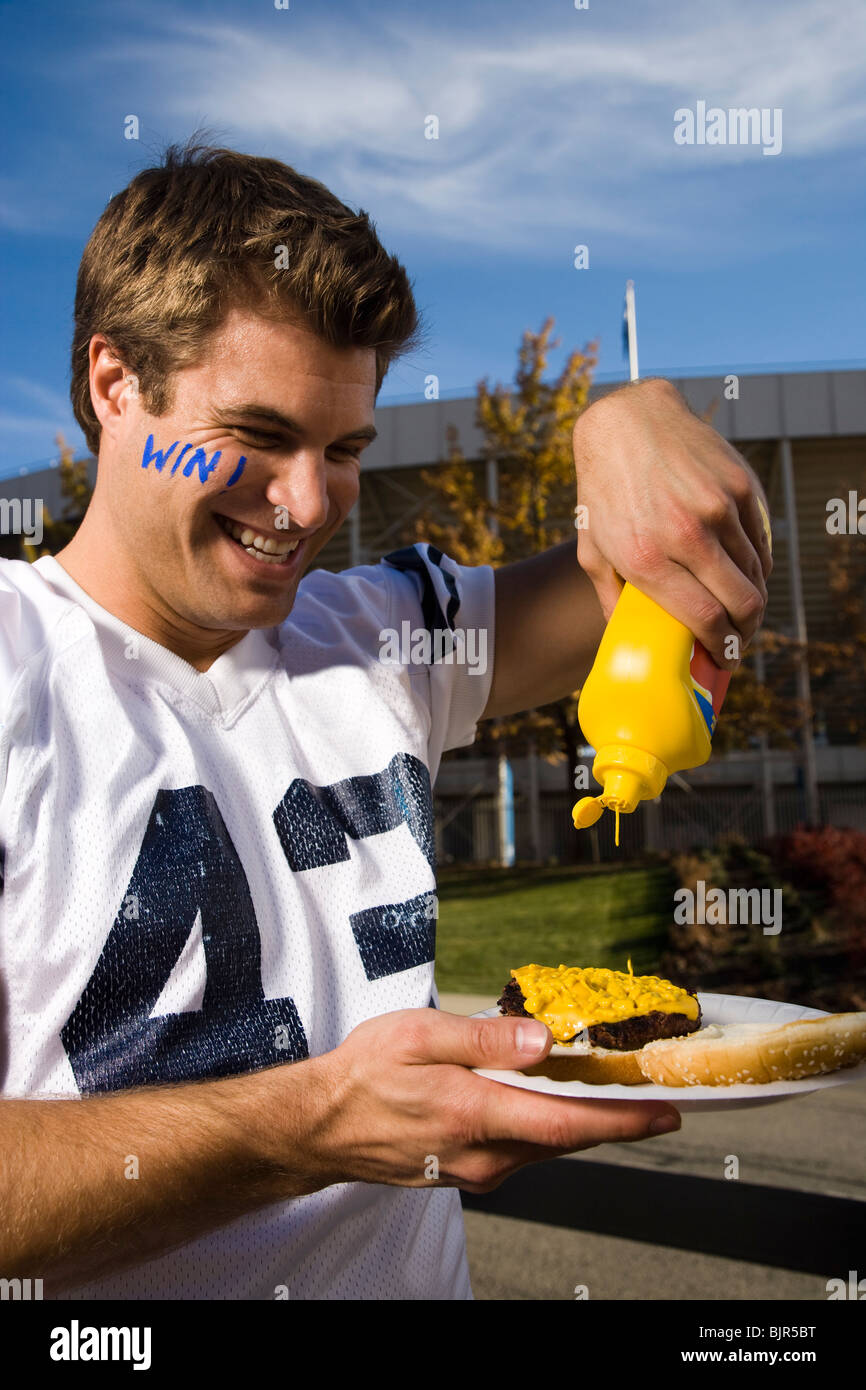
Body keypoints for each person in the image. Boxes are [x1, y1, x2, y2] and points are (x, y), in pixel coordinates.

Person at [0, 141, 771, 1300]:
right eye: (255, 437)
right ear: (116, 385)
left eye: (344, 448)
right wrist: (306, 1125)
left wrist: (629, 421)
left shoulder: (386, 633)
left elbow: (647, 567)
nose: (307, 505)